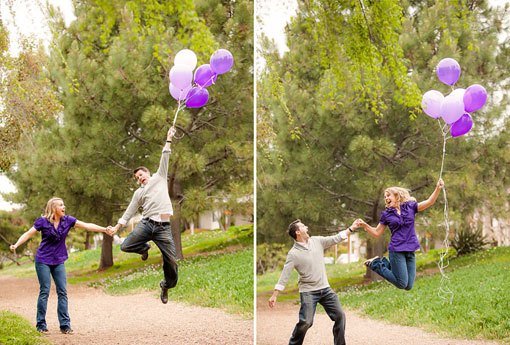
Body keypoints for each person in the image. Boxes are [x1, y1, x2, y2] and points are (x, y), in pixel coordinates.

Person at [10, 197, 111, 334]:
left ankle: (65, 325)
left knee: (62, 291)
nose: (64, 207)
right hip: (43, 260)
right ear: (54, 208)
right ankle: (41, 324)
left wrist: (104, 229)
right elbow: (28, 234)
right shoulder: (43, 222)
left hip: (58, 260)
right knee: (45, 290)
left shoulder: (68, 220)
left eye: (64, 205)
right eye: (61, 205)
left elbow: (87, 225)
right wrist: (16, 244)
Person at [109, 126, 178, 304]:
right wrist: (117, 227)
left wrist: (169, 139)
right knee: (125, 246)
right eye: (137, 178)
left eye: (141, 175)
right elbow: (129, 212)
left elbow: (165, 157)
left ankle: (166, 285)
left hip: (163, 226)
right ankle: (144, 248)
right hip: (147, 225)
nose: (140, 178)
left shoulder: (159, 177)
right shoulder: (138, 193)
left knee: (172, 262)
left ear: (147, 173)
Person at [268, 219, 360, 345]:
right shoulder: (293, 254)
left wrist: (351, 228)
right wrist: (275, 294)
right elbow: (285, 274)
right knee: (306, 322)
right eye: (303, 226)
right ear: (298, 232)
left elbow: (336, 238)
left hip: (325, 289)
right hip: (308, 292)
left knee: (340, 315)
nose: (306, 227)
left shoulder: (317, 241)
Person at [358, 178, 445, 290]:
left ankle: (384, 263)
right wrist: (365, 225)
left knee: (408, 286)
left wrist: (438, 188)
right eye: (385, 197)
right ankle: (375, 264)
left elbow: (429, 201)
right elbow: (376, 232)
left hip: (410, 249)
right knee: (401, 283)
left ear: (397, 196)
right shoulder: (386, 214)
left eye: (388, 195)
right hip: (397, 249)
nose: (386, 198)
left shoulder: (410, 207)